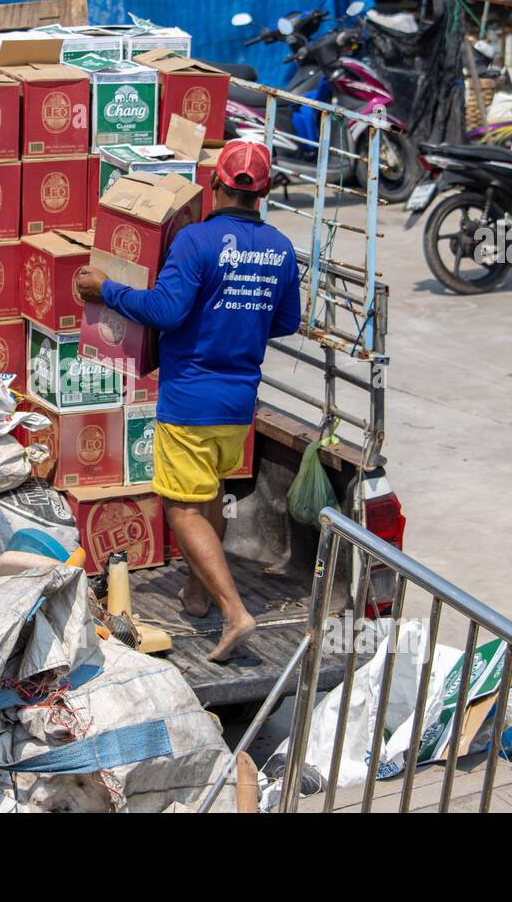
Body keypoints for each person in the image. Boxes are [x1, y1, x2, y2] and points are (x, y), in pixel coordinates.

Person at [75, 140, 303, 662]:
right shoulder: (280, 248)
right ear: (264, 191)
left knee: (180, 508)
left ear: (215, 184)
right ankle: (198, 594)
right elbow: (287, 321)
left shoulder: (197, 241)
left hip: (190, 398)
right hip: (239, 402)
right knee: (209, 494)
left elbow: (167, 309)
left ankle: (233, 611)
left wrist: (106, 289)